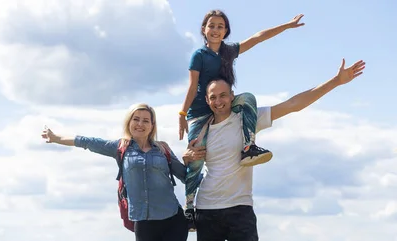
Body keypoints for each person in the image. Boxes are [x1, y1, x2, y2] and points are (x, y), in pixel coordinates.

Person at [184, 59, 365, 241]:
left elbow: (293, 104)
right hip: (207, 209)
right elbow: (190, 169)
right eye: (213, 97)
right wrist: (186, 157)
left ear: (232, 96)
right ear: (207, 100)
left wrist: (336, 81)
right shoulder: (201, 131)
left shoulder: (247, 119)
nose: (218, 101)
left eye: (223, 95)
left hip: (240, 208)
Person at [179, 9, 306, 229]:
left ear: (226, 30)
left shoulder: (229, 52)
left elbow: (258, 38)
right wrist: (182, 114)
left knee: (247, 99)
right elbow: (192, 86)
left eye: (220, 26)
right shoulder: (199, 55)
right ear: (203, 29)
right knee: (197, 158)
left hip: (224, 102)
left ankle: (248, 147)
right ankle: (189, 208)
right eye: (211, 26)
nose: (215, 30)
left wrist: (286, 26)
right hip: (201, 111)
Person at [41, 103, 203, 241]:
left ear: (152, 126)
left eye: (146, 120)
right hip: (143, 221)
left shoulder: (162, 149)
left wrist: (188, 160)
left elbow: (186, 177)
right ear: (129, 122)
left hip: (173, 219)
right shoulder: (120, 147)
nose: (140, 124)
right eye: (136, 119)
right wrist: (56, 138)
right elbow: (86, 142)